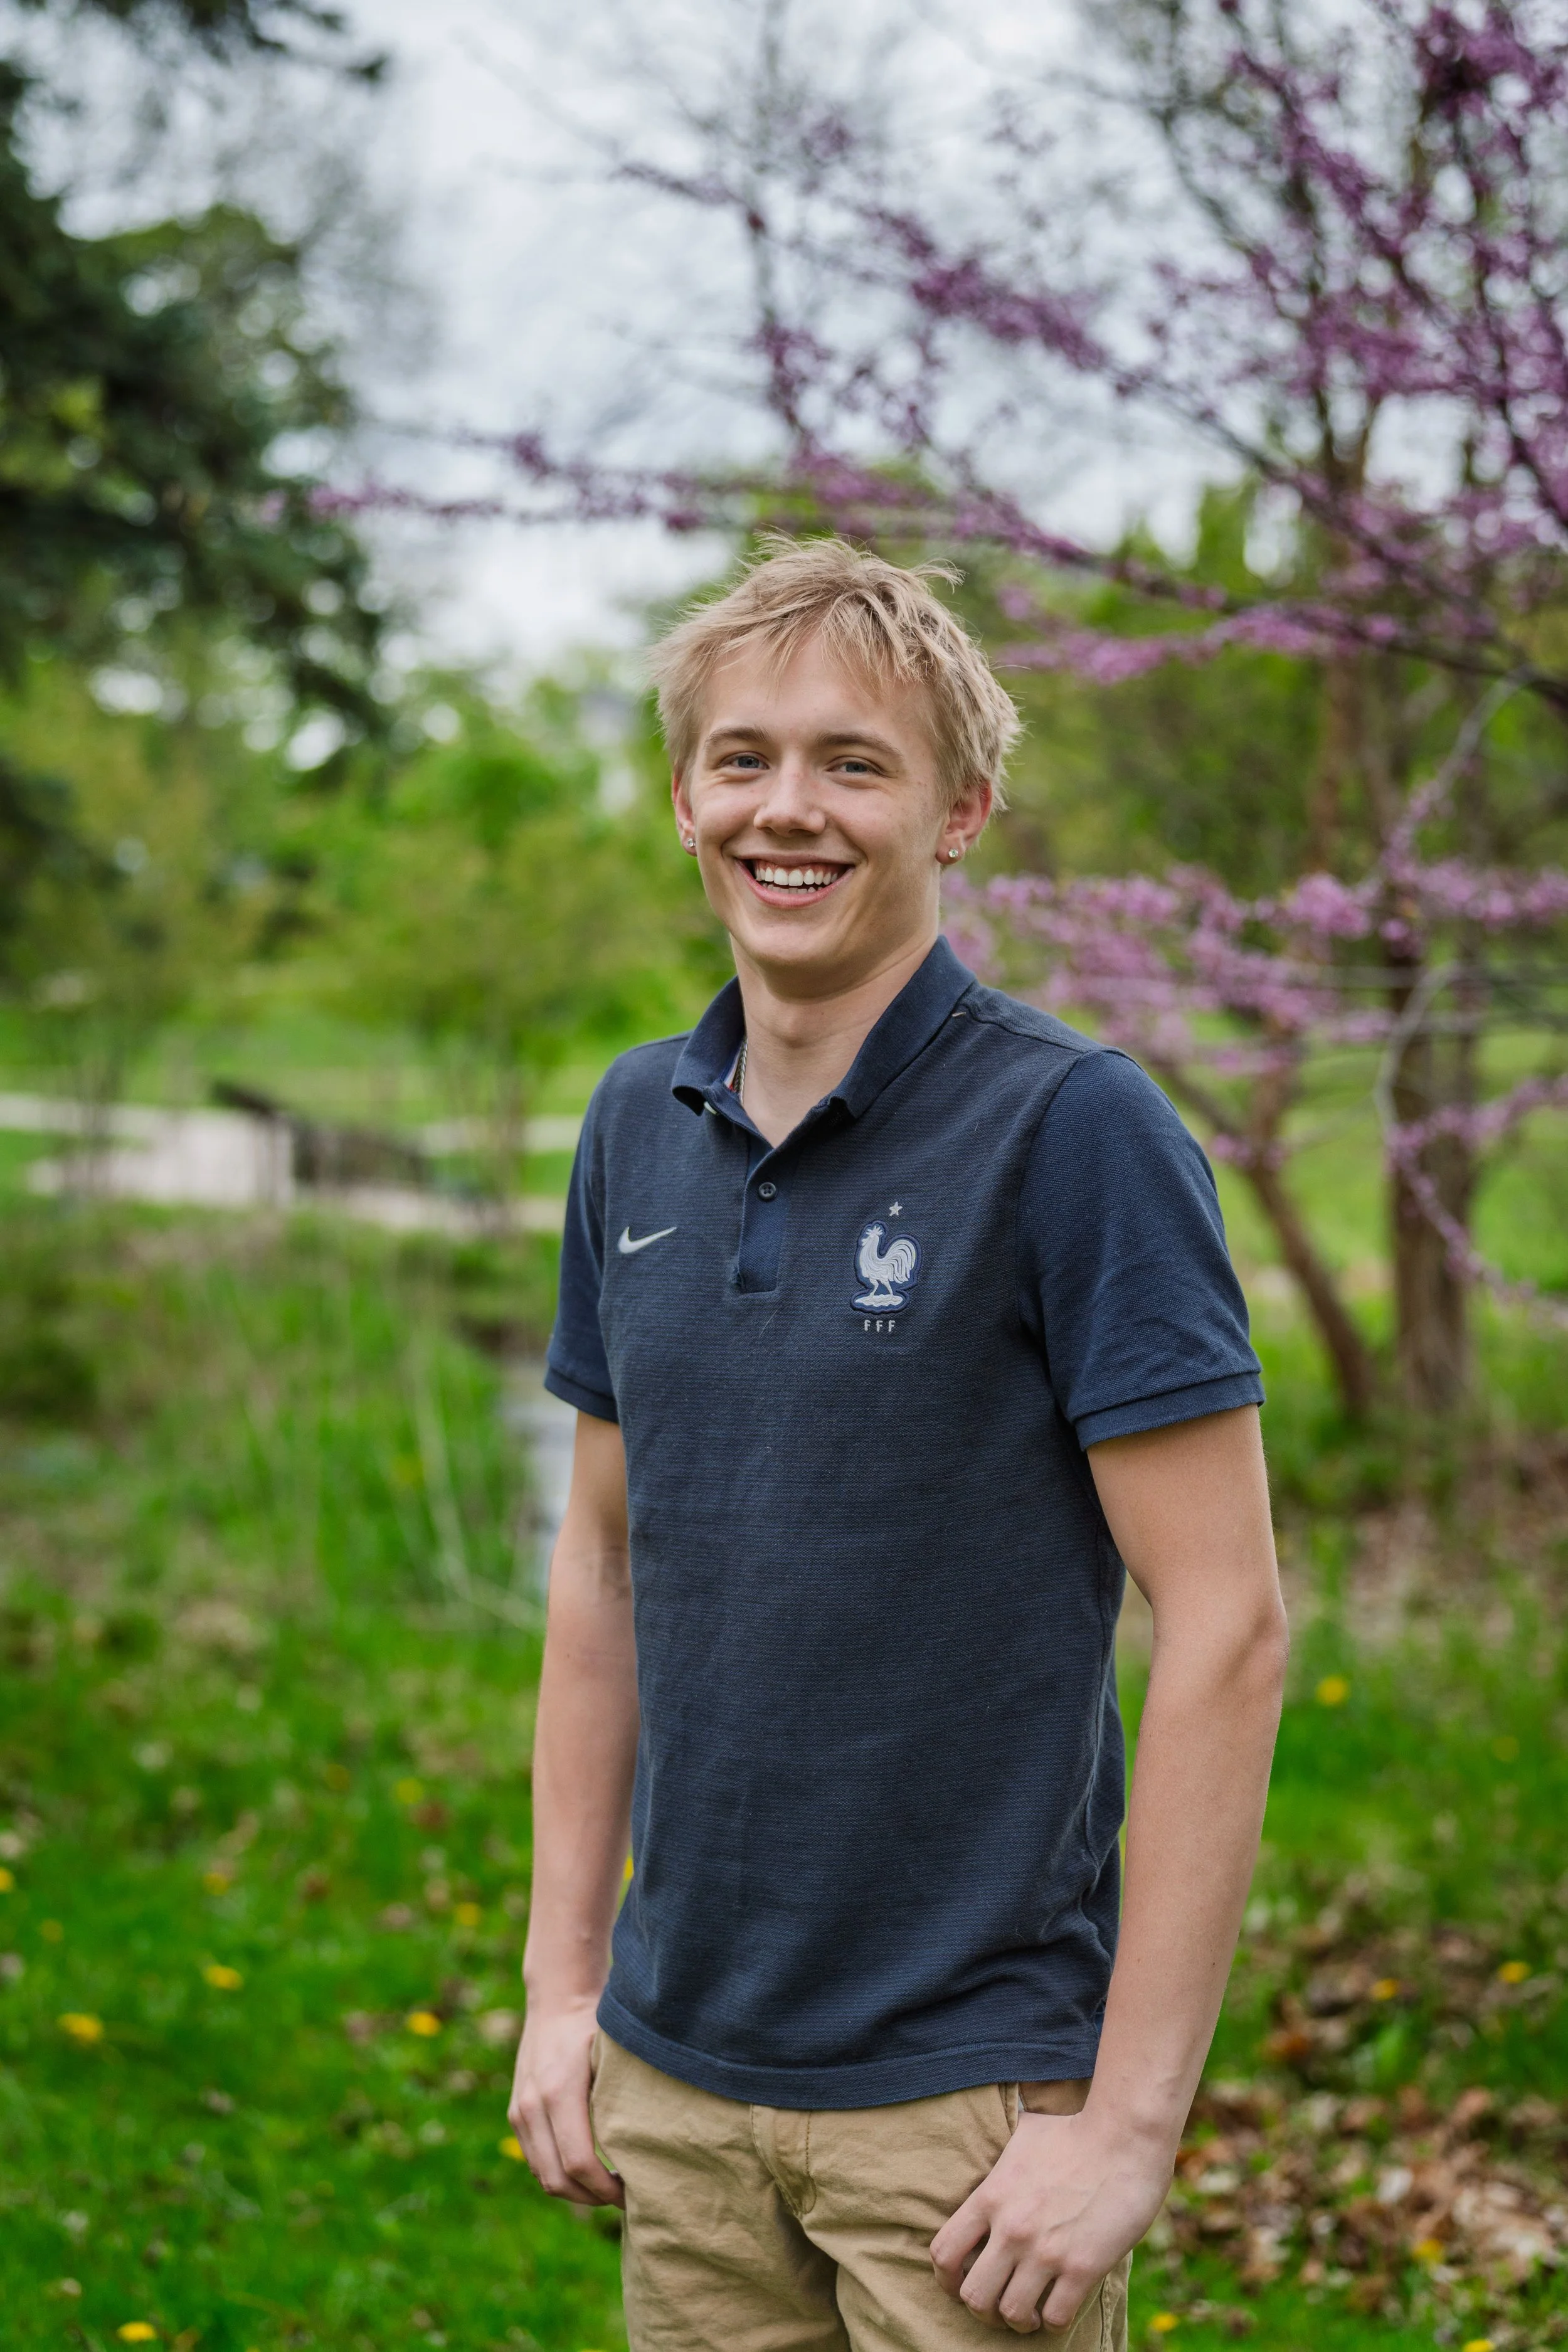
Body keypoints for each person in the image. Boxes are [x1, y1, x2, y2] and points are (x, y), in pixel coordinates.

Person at [509, 536, 1288, 2350]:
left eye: (855, 762)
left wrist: (1124, 2125)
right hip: (679, 2082)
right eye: (744, 756)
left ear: (961, 810)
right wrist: (563, 1989)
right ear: (685, 797)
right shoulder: (635, 1121)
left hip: (963, 2110)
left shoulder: (1074, 1131)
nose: (791, 808)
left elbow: (1227, 1623)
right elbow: (605, 1565)